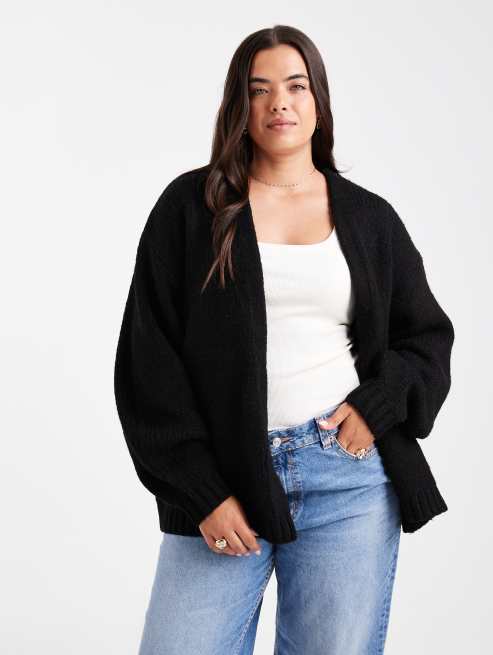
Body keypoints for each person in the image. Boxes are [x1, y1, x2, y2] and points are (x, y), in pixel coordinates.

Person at [114, 25, 455, 655]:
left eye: (296, 86)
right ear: (239, 106)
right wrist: (203, 492)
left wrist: (377, 407)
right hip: (223, 478)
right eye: (260, 89)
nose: (280, 103)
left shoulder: (369, 218)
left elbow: (426, 339)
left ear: (318, 100)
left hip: (347, 480)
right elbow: (148, 363)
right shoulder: (190, 208)